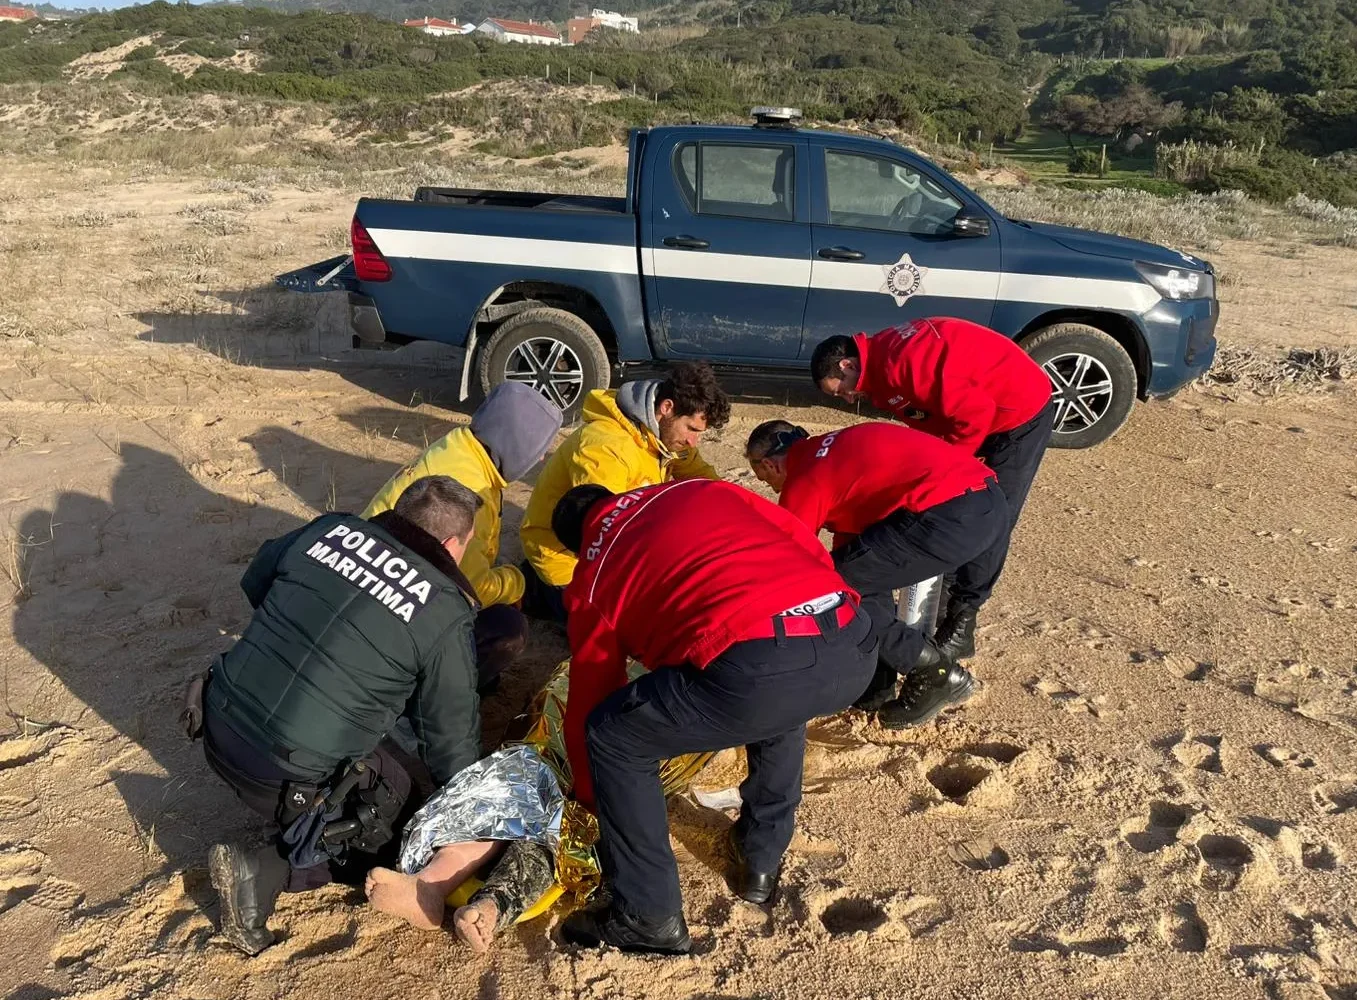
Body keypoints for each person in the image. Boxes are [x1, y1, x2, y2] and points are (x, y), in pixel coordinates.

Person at [548, 479, 878, 955]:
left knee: (613, 735)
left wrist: (590, 797)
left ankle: (647, 916)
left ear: (578, 542)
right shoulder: (698, 489)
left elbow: (592, 693)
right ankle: (760, 859)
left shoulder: (593, 573)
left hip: (763, 670)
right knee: (779, 692)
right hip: (851, 641)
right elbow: (801, 539)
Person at [196, 476, 487, 956]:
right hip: (283, 776)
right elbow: (448, 739)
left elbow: (256, 581)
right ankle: (262, 872)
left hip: (216, 721)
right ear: (453, 544)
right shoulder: (444, 608)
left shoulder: (331, 529)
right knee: (395, 832)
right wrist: (466, 814)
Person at [810, 318, 1055, 664]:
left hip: (1018, 411)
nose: (848, 398)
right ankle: (939, 604)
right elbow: (931, 417)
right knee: (954, 506)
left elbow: (974, 416)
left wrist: (949, 470)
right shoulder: (880, 369)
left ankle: (963, 619)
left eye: (841, 388)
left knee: (992, 511)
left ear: (847, 364)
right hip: (979, 409)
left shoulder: (901, 364)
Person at [746, 420, 1007, 729]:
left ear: (769, 464)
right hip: (988, 500)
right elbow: (859, 551)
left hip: (947, 516)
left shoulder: (804, 479)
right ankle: (877, 685)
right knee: (856, 579)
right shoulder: (833, 447)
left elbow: (788, 565)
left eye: (766, 480)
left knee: (834, 594)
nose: (774, 489)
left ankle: (932, 670)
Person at [363, 382, 563, 682]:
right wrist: (517, 584)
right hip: (390, 607)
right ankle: (433, 687)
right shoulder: (470, 489)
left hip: (369, 574)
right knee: (507, 628)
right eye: (538, 448)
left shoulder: (461, 448)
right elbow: (472, 587)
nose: (541, 458)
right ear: (517, 440)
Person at [518, 362, 730, 622]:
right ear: (666, 408)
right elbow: (602, 535)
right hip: (567, 559)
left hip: (620, 542)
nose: (692, 442)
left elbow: (704, 480)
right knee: (633, 625)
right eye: (692, 429)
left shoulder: (665, 436)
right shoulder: (606, 446)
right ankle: (533, 590)